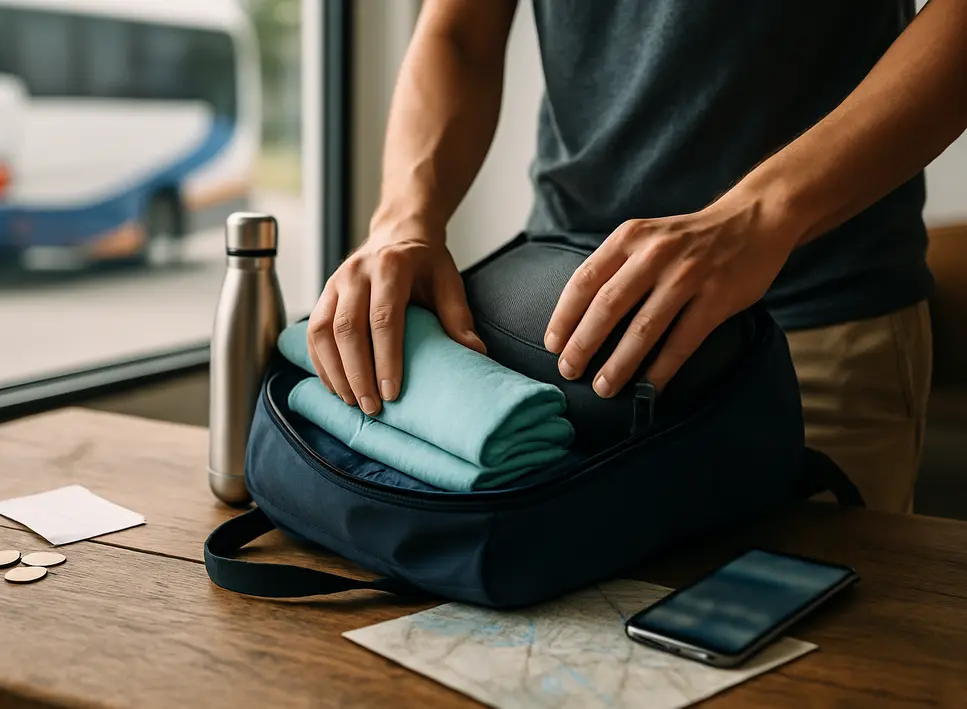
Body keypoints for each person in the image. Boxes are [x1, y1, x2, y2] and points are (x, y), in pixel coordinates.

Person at [305, 0, 967, 514]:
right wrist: (402, 221)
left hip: (811, 326)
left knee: (818, 668)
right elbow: (458, 30)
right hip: (559, 326)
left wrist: (763, 213)